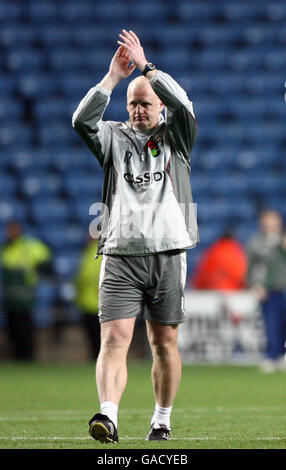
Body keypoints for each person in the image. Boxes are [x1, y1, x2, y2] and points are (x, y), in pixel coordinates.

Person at [72, 29, 198, 443]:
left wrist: (146, 68)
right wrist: (112, 79)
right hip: (121, 254)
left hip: (168, 252)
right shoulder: (113, 138)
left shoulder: (176, 139)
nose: (138, 110)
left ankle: (161, 419)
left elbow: (185, 106)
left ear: (159, 107)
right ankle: (107, 416)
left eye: (145, 103)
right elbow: (81, 121)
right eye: (132, 104)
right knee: (114, 338)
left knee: (164, 342)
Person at [0, 221, 52, 360]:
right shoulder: (6, 248)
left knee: (25, 329)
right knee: (13, 329)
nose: (10, 233)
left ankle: (28, 357)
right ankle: (17, 357)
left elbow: (46, 261)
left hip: (25, 296)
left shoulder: (30, 246)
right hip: (10, 297)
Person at [246, 209, 283, 372]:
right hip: (270, 289)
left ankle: (283, 355)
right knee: (272, 324)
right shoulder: (256, 242)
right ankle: (272, 356)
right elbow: (251, 268)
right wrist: (256, 285)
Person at [74, 236, 102, 360]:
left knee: (97, 338)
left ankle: (99, 363)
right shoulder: (90, 250)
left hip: (94, 301)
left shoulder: (95, 251)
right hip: (91, 301)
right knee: (96, 338)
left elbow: (85, 276)